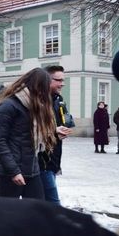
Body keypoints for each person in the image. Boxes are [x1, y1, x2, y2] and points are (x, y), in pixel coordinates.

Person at [0, 67, 56, 199]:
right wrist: (14, 171)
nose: (45, 94)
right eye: (44, 89)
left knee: (36, 212)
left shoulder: (34, 106)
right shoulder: (9, 105)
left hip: (32, 170)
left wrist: (54, 132)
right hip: (10, 173)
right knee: (8, 216)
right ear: (36, 86)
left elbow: (33, 135)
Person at [37, 66, 73, 204]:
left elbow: (65, 120)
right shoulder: (38, 101)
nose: (62, 83)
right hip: (42, 160)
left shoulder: (59, 99)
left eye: (63, 80)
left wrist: (63, 130)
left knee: (44, 204)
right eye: (58, 80)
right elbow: (31, 130)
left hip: (55, 158)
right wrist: (54, 131)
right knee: (53, 204)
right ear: (46, 80)